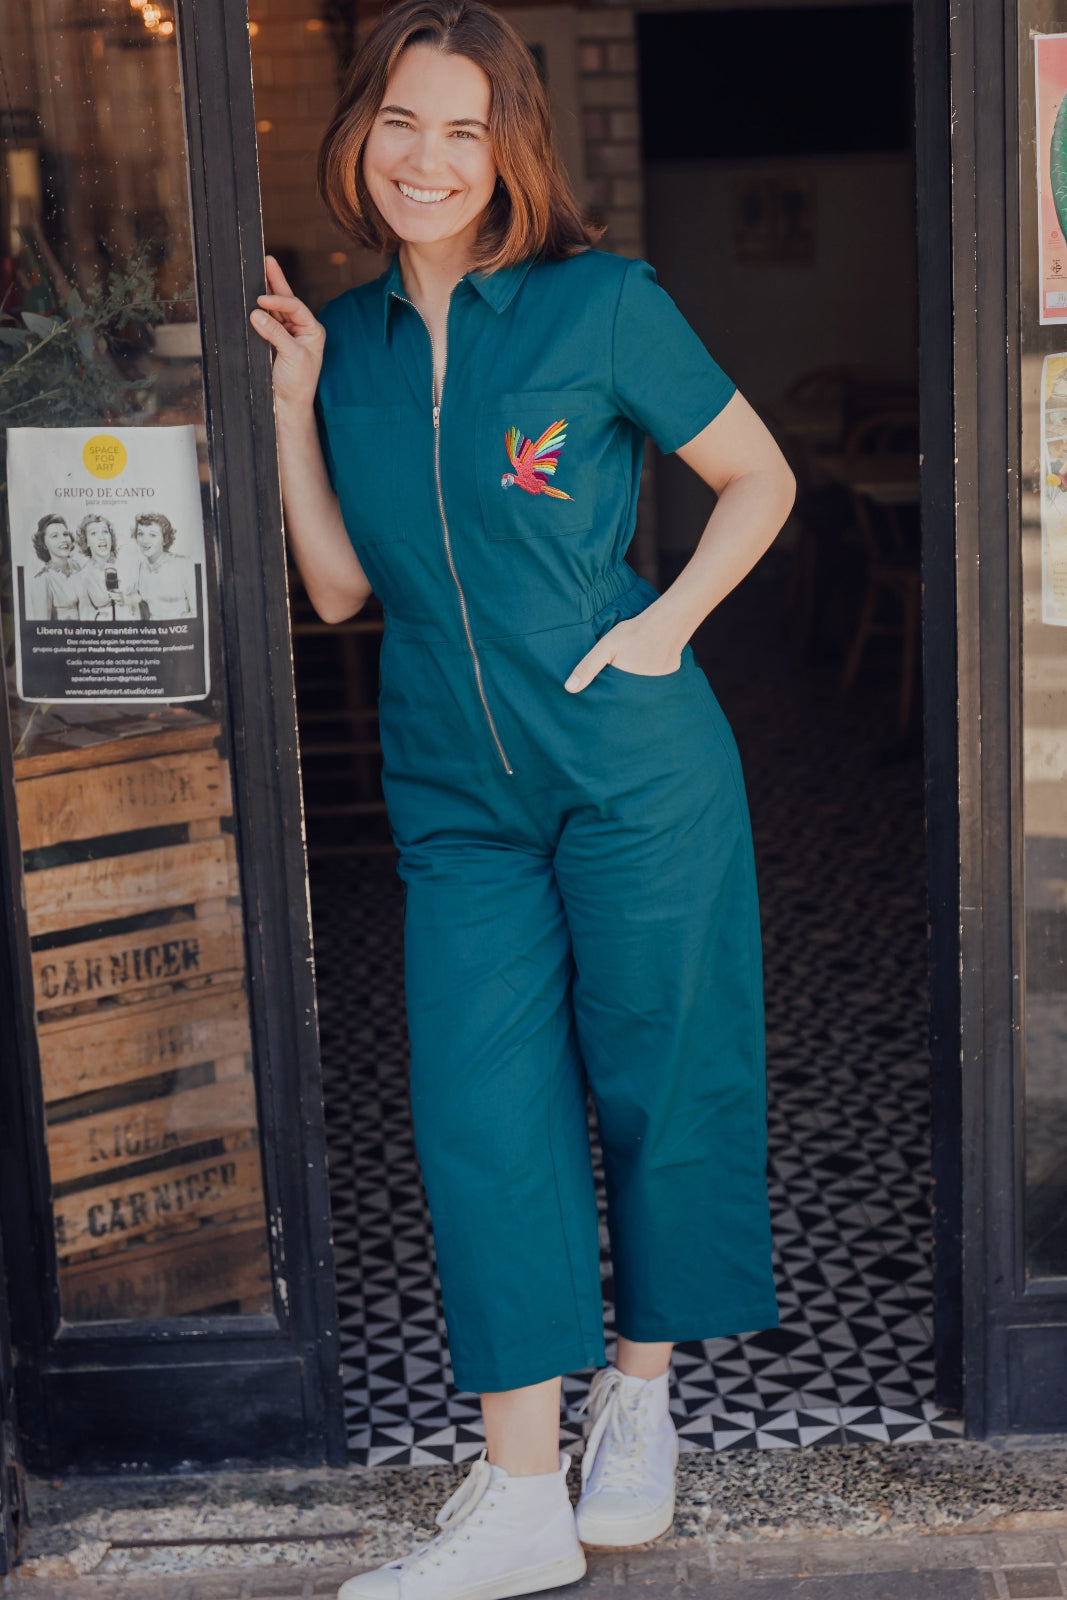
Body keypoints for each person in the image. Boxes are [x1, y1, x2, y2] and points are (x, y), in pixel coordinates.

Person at [250, 2, 795, 1593]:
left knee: (658, 1076)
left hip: (630, 767)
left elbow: (755, 477)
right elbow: (344, 591)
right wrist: (289, 416)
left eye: (463, 131)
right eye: (402, 124)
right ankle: (513, 1499)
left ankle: (638, 1398)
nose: (427, 159)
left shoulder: (599, 305)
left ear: (509, 154)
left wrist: (660, 628)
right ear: (362, 137)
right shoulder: (340, 342)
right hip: (449, 785)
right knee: (483, 1118)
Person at [130, 511, 198, 620]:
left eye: (152, 535)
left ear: (165, 539)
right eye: (140, 534)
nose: (145, 540)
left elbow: (198, 613)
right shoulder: (140, 568)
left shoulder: (184, 565)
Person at [74, 513, 134, 621]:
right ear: (86, 541)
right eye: (94, 533)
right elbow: (85, 616)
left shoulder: (125, 566)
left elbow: (139, 600)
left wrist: (126, 599)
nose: (101, 537)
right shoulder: (83, 576)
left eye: (105, 532)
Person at [27, 514, 85, 621]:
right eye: (54, 536)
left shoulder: (77, 566)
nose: (63, 540)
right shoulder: (43, 579)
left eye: (65, 534)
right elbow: (42, 628)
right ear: (44, 544)